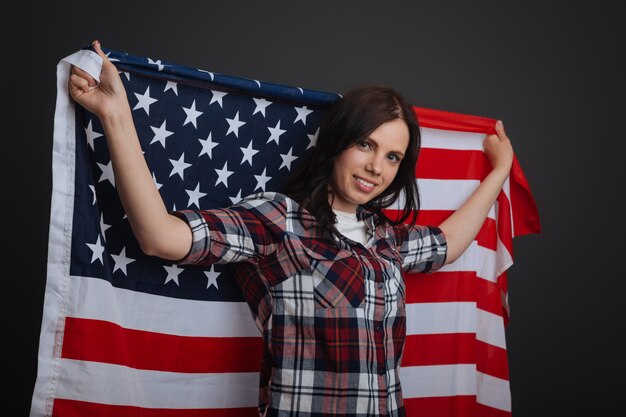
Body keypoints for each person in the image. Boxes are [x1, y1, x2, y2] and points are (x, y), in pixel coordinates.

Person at [69, 40, 513, 417]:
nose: (377, 167)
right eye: (366, 144)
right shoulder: (277, 221)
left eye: (393, 157)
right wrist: (115, 117)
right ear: (339, 142)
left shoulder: (385, 239)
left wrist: (500, 171)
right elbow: (160, 236)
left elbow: (450, 243)